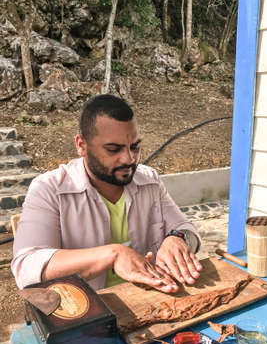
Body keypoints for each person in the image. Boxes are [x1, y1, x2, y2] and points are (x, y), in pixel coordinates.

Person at [12, 94, 202, 293]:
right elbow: (26, 267)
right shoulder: (49, 190)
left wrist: (177, 239)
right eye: (113, 149)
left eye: (135, 147)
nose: (129, 159)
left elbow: (187, 230)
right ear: (81, 146)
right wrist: (113, 254)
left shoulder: (149, 181)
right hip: (88, 312)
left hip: (151, 299)